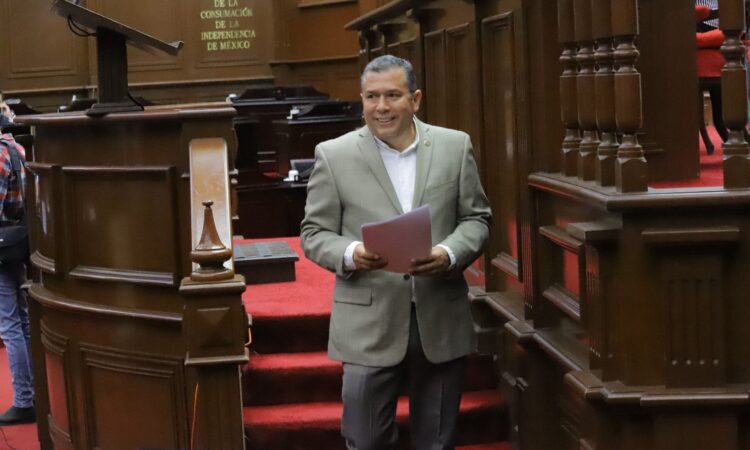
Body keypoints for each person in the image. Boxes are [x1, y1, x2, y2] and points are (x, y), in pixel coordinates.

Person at [300, 55, 491, 450]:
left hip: (438, 315)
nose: (381, 107)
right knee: (365, 439)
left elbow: (477, 220)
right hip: (368, 321)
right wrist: (351, 252)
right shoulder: (333, 155)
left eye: (392, 95)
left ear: (415, 99)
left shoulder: (454, 146)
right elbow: (314, 233)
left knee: (436, 443)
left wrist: (449, 253)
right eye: (371, 97)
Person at [0, 106, 34, 425]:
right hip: (17, 241)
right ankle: (34, 393)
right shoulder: (17, 148)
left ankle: (24, 400)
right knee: (22, 321)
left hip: (2, 245)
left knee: (9, 324)